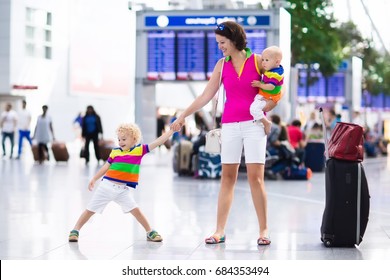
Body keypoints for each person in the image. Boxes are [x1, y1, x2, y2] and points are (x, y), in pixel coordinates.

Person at [170, 21, 275, 246]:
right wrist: (183, 115)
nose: (220, 47)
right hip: (230, 126)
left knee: (256, 179)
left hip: (254, 125)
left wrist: (266, 110)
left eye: (223, 42)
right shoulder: (221, 65)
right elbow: (205, 96)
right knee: (227, 178)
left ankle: (264, 230)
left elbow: (276, 88)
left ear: (235, 39)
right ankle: (219, 230)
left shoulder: (258, 61)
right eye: (218, 43)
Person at [68, 123, 174, 242]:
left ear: (134, 139)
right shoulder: (115, 152)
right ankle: (75, 230)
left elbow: (158, 142)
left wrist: (171, 132)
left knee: (136, 211)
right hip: (106, 187)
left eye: (124, 139)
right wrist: (94, 178)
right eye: (119, 139)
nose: (120, 142)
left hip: (123, 190)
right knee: (90, 210)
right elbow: (106, 166)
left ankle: (150, 231)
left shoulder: (139, 150)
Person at [250, 46, 284, 135]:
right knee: (255, 107)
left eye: (267, 60)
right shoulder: (271, 70)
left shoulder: (275, 74)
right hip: (264, 95)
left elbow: (271, 87)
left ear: (277, 62)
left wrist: (259, 84)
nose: (263, 62)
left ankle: (266, 122)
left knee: (253, 109)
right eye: (263, 60)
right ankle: (259, 120)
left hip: (268, 97)